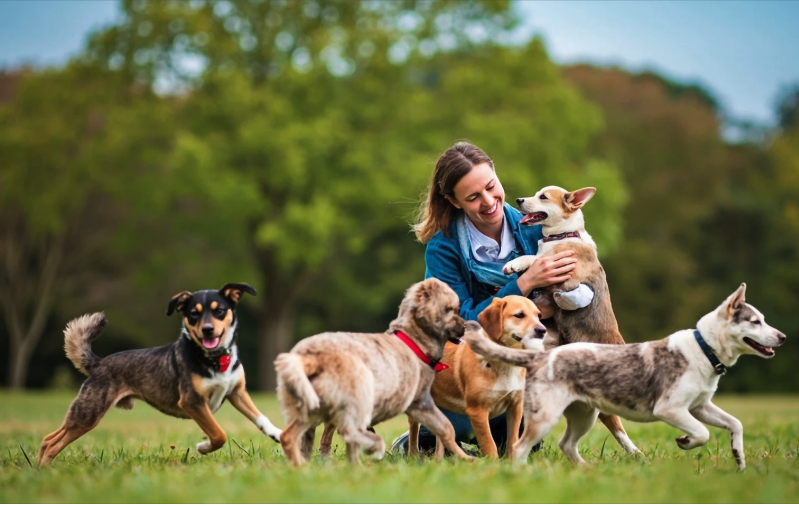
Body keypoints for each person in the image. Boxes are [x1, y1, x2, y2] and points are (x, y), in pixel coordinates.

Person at [391, 141, 578, 456]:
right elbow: (458, 324)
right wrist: (525, 282)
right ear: (454, 201)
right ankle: (425, 438)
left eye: (491, 187)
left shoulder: (539, 230)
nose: (489, 202)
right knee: (461, 421)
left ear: (497, 175)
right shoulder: (443, 248)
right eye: (473, 197)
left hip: (524, 368)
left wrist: (558, 302)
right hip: (467, 369)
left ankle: (501, 437)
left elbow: (572, 300)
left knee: (519, 435)